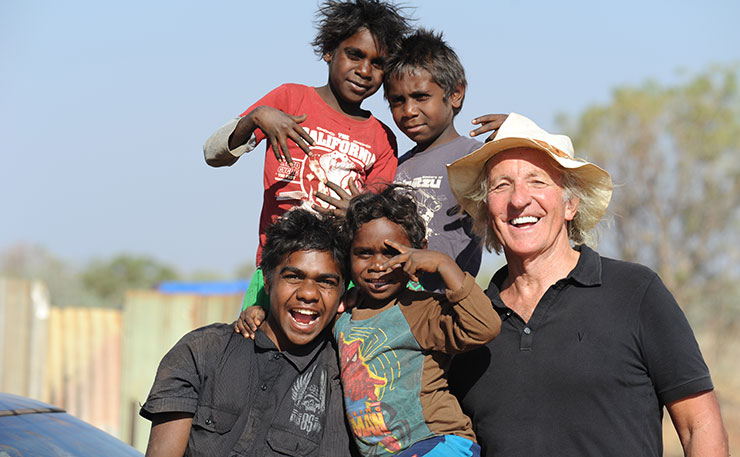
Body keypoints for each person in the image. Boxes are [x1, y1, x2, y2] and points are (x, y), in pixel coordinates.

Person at [445, 113, 729, 456]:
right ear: (486, 208)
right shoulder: (469, 323)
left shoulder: (636, 292)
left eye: (537, 181)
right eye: (501, 185)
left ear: (570, 204)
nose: (518, 200)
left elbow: (699, 426)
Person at [203, 0, 411, 308]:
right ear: (329, 50)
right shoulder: (289, 99)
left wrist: (357, 213)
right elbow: (213, 154)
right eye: (354, 54)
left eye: (378, 63)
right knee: (254, 348)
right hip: (277, 269)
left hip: (338, 280)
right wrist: (256, 117)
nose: (364, 70)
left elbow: (376, 221)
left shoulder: (382, 138)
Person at [139, 209, 354, 457]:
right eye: (294, 277)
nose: (308, 293)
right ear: (267, 280)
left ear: (341, 294)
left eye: (326, 282)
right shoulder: (202, 351)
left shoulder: (342, 379)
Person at [317, 29, 507, 292]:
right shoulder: (394, 167)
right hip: (395, 309)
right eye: (397, 101)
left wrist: (519, 135)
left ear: (455, 94)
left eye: (421, 97)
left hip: (444, 306)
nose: (408, 111)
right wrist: (358, 213)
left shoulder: (476, 158)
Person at [333, 185, 501, 456]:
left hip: (437, 443)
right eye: (364, 253)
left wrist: (444, 264)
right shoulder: (344, 315)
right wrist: (255, 312)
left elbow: (485, 327)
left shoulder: (420, 309)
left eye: (392, 253)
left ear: (419, 252)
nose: (378, 265)